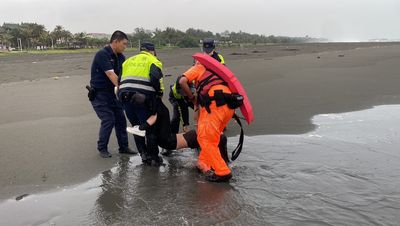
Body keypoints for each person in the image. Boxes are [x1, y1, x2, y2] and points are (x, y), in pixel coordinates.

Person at [178, 56, 235, 182]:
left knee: (205, 139)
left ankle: (223, 172)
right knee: (212, 137)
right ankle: (204, 164)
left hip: (215, 106)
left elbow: (182, 81)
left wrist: (192, 97)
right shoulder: (220, 71)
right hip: (230, 107)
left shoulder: (198, 67)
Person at [88, 30, 137, 158]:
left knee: (121, 119)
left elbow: (123, 76)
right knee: (108, 119)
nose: (125, 47)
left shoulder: (121, 57)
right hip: (99, 94)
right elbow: (111, 74)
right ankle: (102, 148)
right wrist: (124, 90)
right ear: (115, 42)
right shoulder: (102, 54)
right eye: (124, 44)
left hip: (113, 94)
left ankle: (124, 147)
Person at [118, 42, 165, 166]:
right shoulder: (153, 61)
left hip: (126, 98)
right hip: (143, 99)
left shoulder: (127, 61)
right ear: (152, 51)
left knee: (136, 127)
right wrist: (159, 93)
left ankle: (144, 155)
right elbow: (156, 78)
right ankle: (154, 157)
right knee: (150, 127)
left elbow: (119, 79)